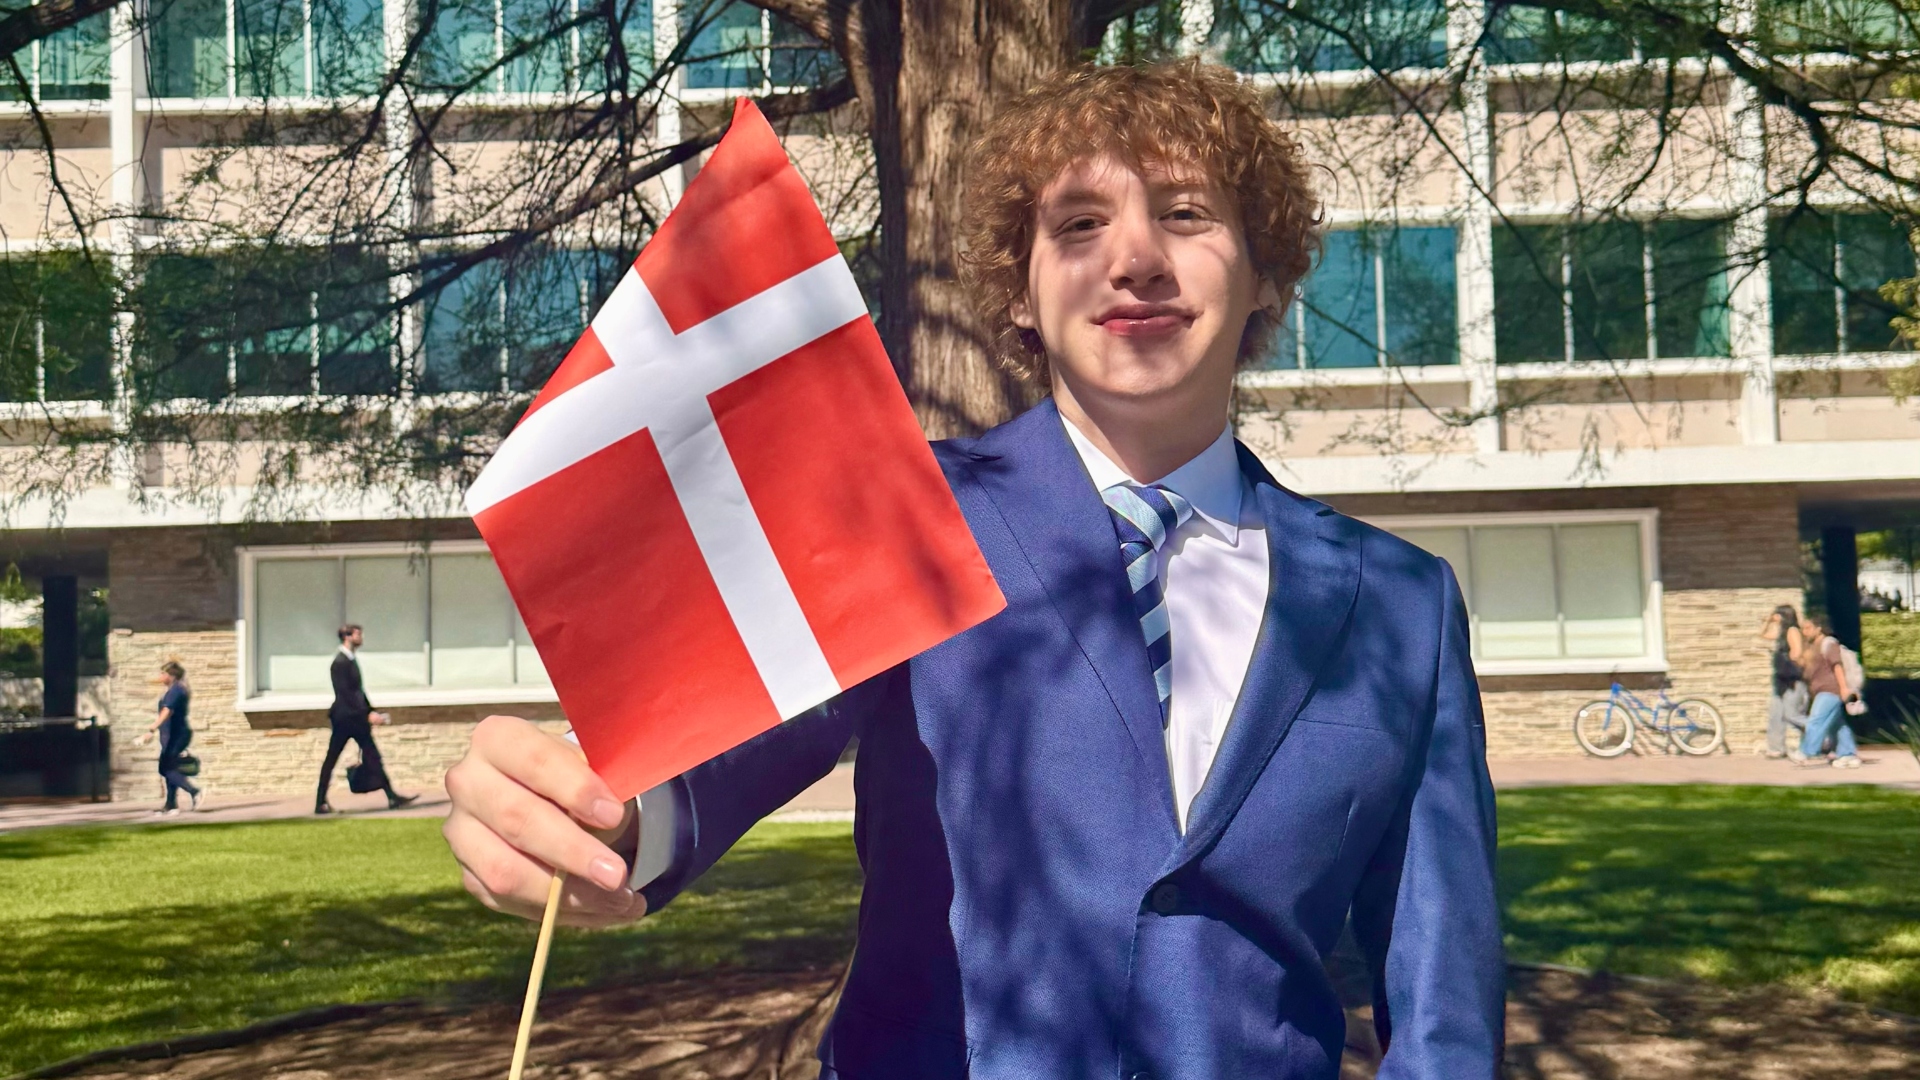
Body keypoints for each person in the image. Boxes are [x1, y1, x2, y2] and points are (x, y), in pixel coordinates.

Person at [442, 61, 1504, 1078]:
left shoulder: (1401, 608)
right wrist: (608, 821)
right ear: (1021, 295)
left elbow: (1445, 999)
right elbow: (733, 744)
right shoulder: (897, 513)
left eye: (1185, 215)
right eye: (1080, 226)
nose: (1133, 258)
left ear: (1264, 269)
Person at [316, 624, 419, 813]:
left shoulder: (350, 660)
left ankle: (392, 797)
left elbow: (358, 692)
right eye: (358, 635)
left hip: (356, 719)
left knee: (373, 756)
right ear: (347, 637)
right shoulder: (339, 663)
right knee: (332, 759)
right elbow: (346, 694)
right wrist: (366, 714)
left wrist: (372, 711)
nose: (361, 638)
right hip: (345, 719)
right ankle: (320, 802)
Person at [1793, 621, 1864, 769]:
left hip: (1831, 689)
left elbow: (1837, 666)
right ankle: (1848, 754)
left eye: (1808, 628)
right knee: (1837, 725)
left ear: (1818, 628)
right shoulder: (1812, 646)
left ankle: (1806, 751)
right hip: (1820, 690)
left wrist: (1844, 688)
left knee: (1816, 719)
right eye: (1803, 629)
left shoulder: (1829, 644)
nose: (1804, 632)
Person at [136, 661, 199, 814]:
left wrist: (151, 729)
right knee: (169, 767)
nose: (160, 676)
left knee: (165, 768)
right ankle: (171, 804)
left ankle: (194, 791)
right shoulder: (173, 690)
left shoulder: (176, 691)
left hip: (176, 735)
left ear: (171, 676)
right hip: (170, 734)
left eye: (163, 673)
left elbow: (167, 711)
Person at [1760, 605, 1809, 758]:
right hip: (1781, 679)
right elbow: (1763, 634)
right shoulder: (1781, 632)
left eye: (1777, 615)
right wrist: (1768, 621)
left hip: (1792, 679)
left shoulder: (1792, 630)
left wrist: (1792, 659)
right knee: (1776, 714)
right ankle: (1776, 748)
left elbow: (1797, 652)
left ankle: (1821, 731)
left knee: (1792, 714)